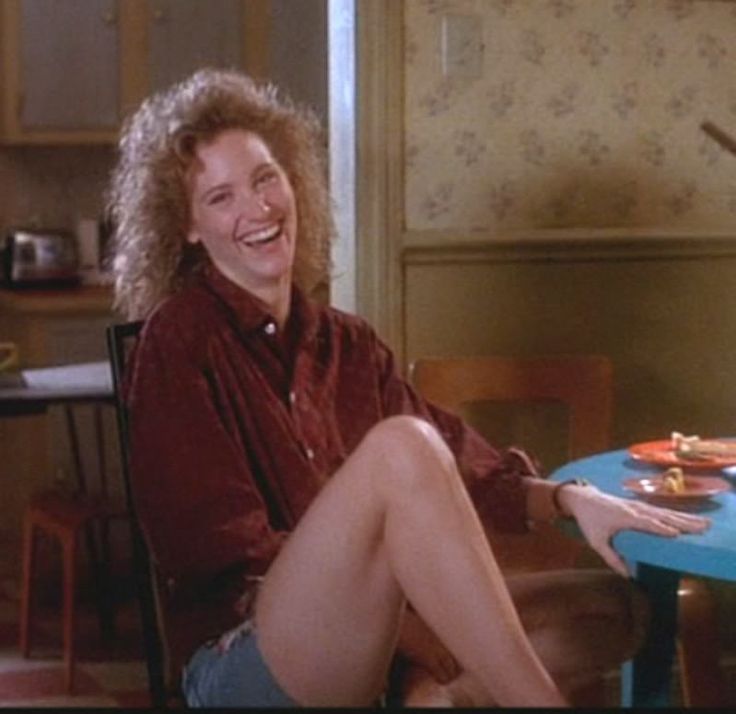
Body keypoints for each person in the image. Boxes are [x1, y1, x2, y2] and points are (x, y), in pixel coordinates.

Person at [107, 67, 710, 708]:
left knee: (616, 609)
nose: (257, 209)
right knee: (402, 447)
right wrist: (411, 635)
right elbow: (227, 558)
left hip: (378, 632)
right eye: (221, 197)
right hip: (246, 657)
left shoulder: (347, 342)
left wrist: (570, 499)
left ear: (292, 181)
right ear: (188, 226)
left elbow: (459, 469)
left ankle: (431, 699)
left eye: (265, 179)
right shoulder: (178, 340)